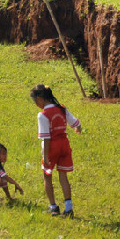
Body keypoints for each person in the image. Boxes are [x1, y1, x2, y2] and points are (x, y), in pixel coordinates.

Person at [31, 84, 81, 217]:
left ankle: (53, 206)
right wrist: (78, 130)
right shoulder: (62, 109)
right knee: (63, 176)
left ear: (40, 98)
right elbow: (76, 123)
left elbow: (46, 138)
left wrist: (46, 155)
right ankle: (69, 208)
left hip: (52, 146)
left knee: (47, 175)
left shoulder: (42, 115)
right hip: (64, 144)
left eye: (35, 101)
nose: (36, 104)